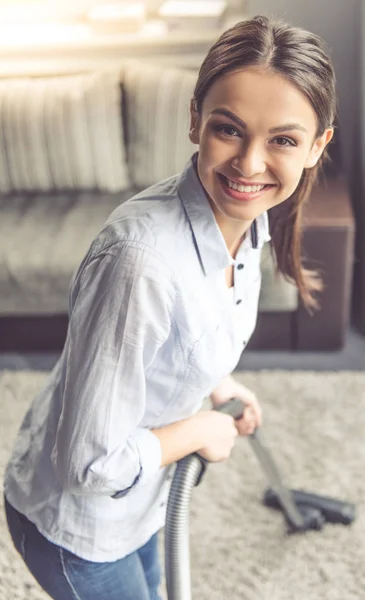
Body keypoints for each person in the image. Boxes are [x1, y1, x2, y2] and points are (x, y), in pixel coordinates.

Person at [3, 14, 335, 600]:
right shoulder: (141, 262)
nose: (250, 164)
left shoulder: (244, 221)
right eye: (229, 130)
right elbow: (89, 465)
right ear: (194, 122)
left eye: (283, 139)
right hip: (80, 526)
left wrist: (216, 382)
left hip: (140, 497)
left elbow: (181, 332)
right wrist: (203, 428)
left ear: (316, 146)